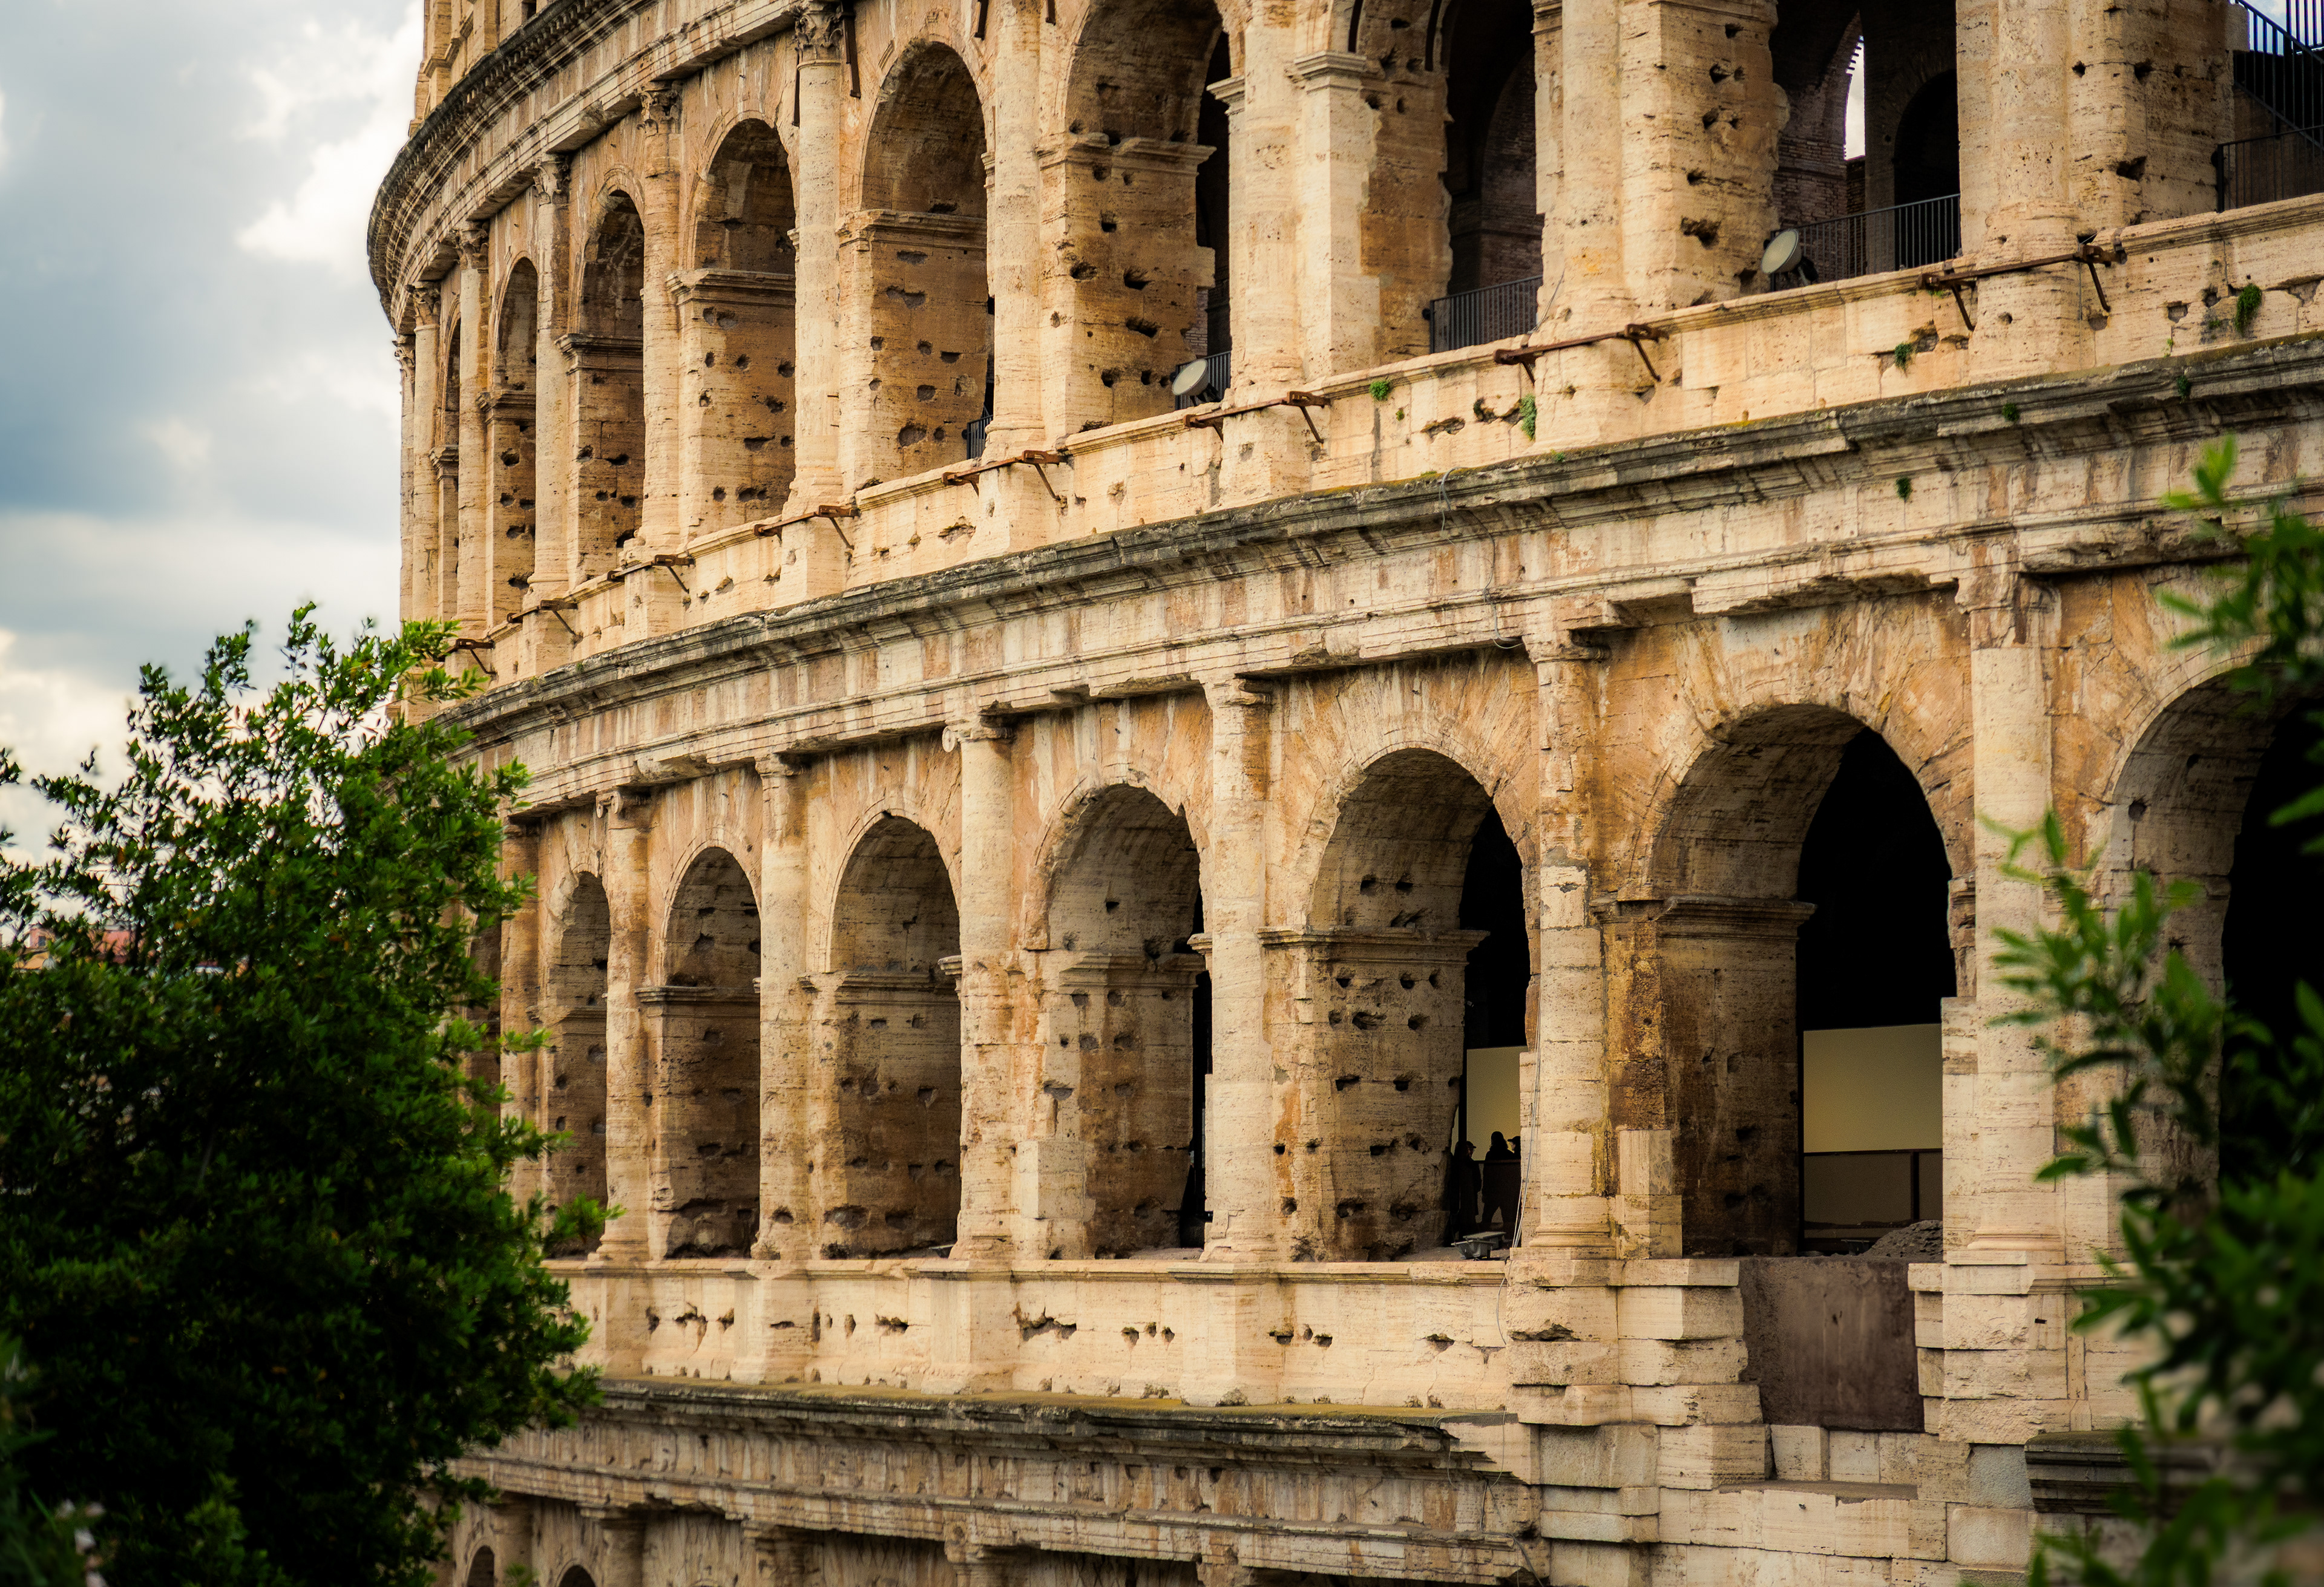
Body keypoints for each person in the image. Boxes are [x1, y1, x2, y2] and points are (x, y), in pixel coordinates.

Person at [1442, 1139, 1480, 1242]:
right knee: (1458, 1220)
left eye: (1472, 1150)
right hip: (1459, 1198)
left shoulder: (1466, 1164)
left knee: (1463, 1221)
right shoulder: (1458, 1164)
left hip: (1465, 1198)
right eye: (1469, 1149)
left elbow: (1477, 1184)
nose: (1470, 1152)